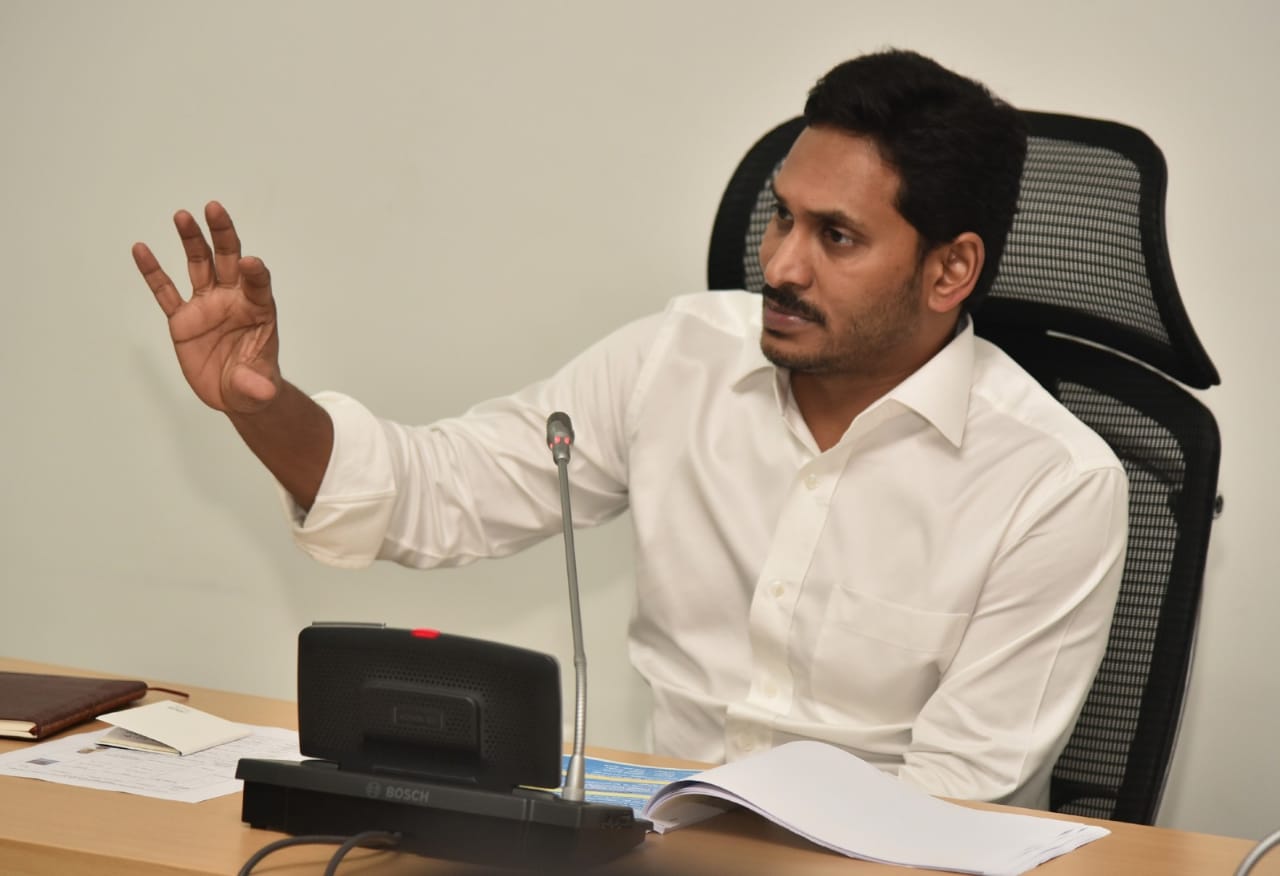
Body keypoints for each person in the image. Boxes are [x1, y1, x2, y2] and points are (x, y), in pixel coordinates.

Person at [133, 49, 1127, 809]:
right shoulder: (675, 358)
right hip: (655, 847)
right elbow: (433, 495)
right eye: (781, 217)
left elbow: (952, 801)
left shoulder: (1052, 482)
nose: (778, 264)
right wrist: (265, 405)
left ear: (949, 272)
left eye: (835, 237)